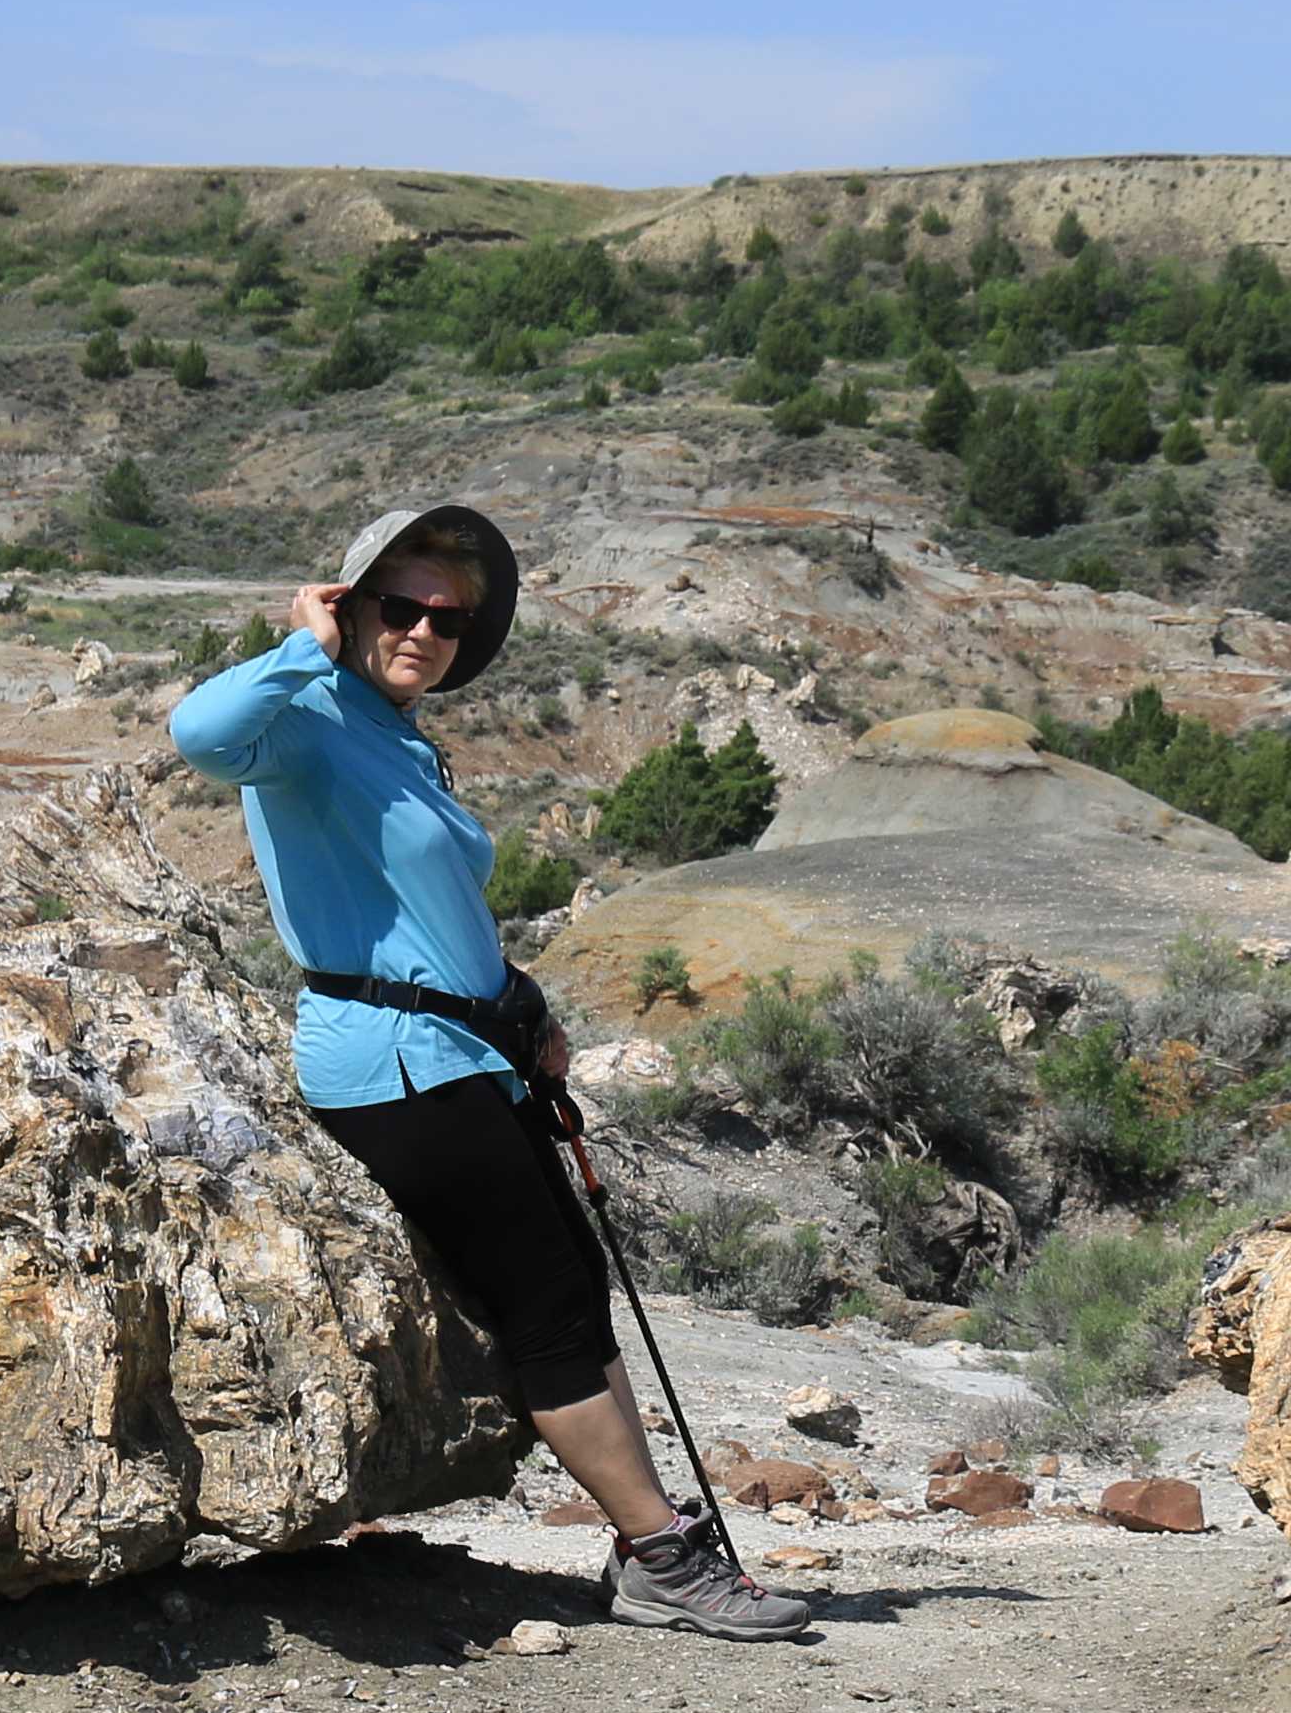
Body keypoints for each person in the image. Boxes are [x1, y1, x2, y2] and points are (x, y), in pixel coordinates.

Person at [168, 501, 810, 1640]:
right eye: (398, 606)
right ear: (351, 604)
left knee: (572, 1286)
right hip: (393, 1062)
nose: (423, 630)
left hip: (464, 1047)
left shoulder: (399, 736)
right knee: (543, 1308)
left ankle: (657, 1542)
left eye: (447, 619)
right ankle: (662, 1553)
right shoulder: (310, 716)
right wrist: (298, 644)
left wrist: (520, 1001)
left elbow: (428, 910)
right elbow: (202, 733)